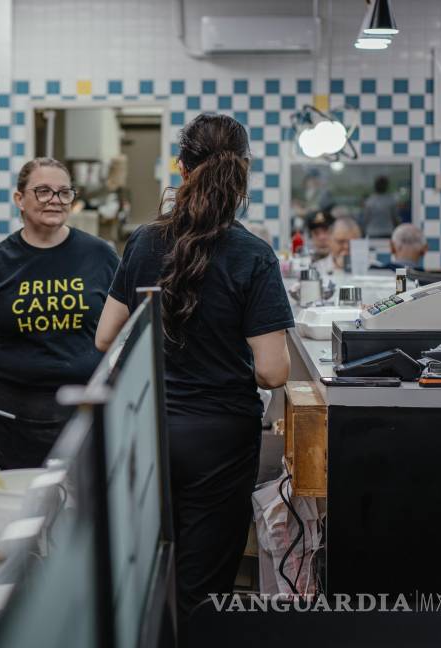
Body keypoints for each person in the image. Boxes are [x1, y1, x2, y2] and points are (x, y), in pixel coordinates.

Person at [94, 114, 292, 637]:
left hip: (146, 429)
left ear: (181, 167)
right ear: (242, 172)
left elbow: (103, 337)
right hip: (220, 440)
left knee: (143, 571)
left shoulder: (143, 242)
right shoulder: (253, 254)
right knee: (200, 587)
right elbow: (273, 372)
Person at [0, 157, 119, 469]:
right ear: (19, 199)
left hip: (84, 414)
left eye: (64, 192)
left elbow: (125, 336)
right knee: (16, 510)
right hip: (11, 419)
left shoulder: (101, 256)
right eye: (43, 191)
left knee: (83, 511)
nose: (55, 200)